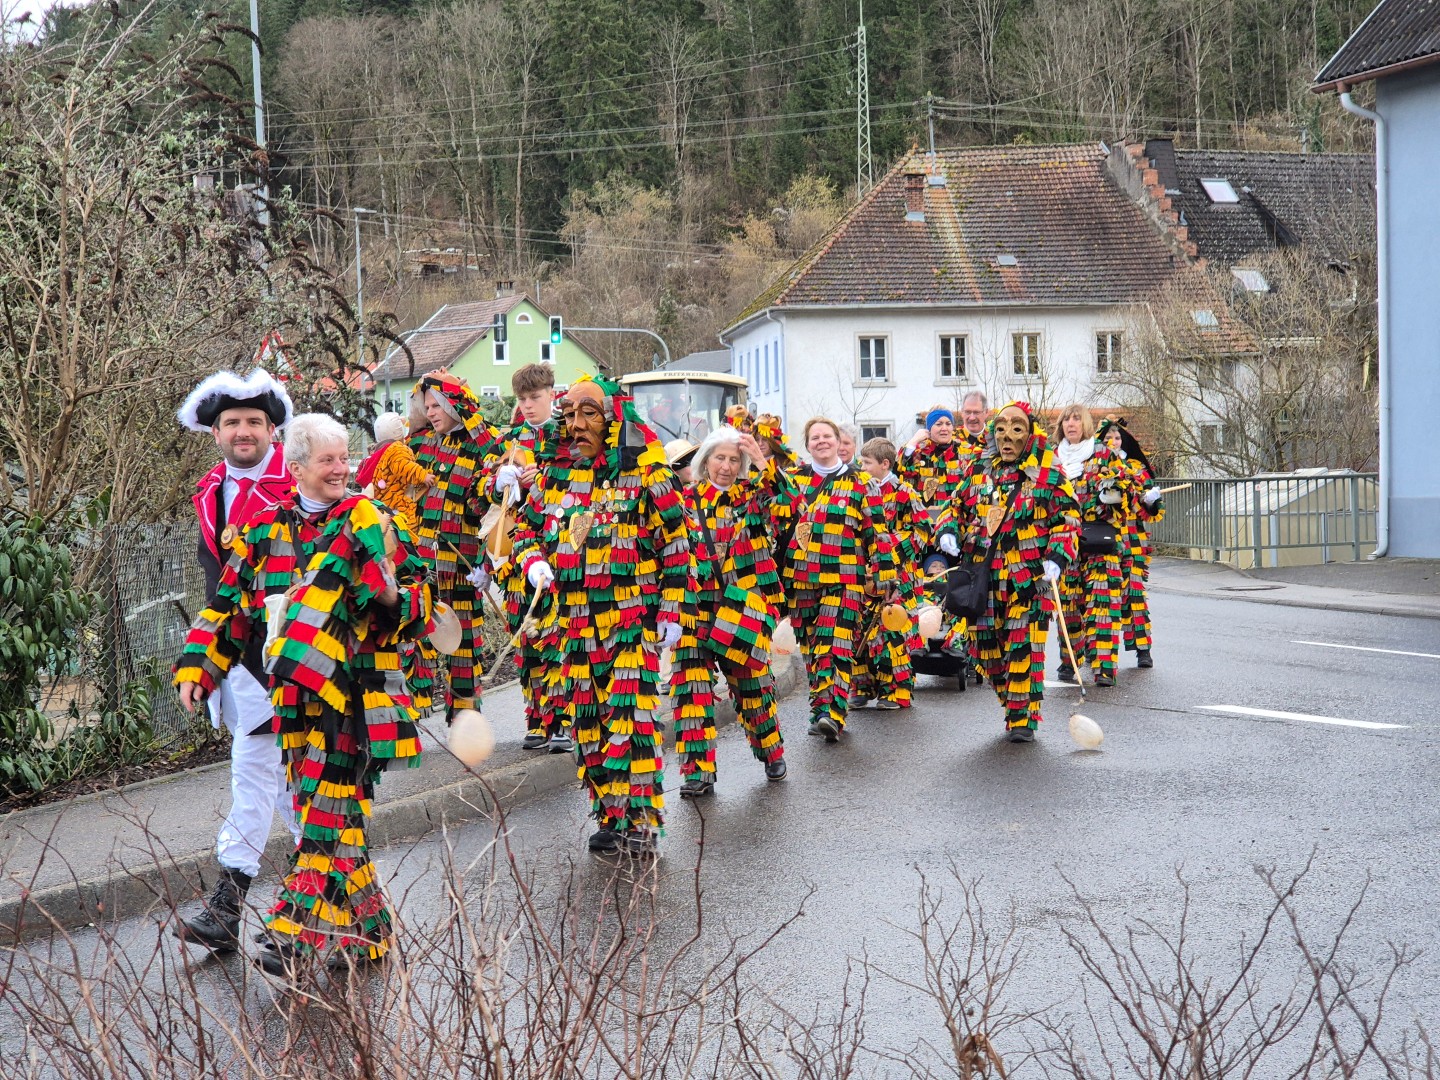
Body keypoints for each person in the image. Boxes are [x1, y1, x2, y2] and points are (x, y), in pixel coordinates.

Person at [175, 415, 432, 976]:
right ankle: (368, 933)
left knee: (324, 810)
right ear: (295, 468)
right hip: (291, 702)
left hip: (358, 699)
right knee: (330, 810)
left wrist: (392, 596)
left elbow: (422, 605)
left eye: (345, 458)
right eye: (328, 460)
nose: (342, 469)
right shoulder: (263, 528)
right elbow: (228, 607)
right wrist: (199, 667)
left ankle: (295, 930)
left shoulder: (373, 520)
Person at [510, 376, 693, 856]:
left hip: (632, 622)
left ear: (612, 419)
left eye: (588, 413)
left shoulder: (647, 474)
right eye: (570, 414)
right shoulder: (554, 477)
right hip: (573, 626)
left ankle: (640, 820)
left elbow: (677, 543)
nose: (577, 424)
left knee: (631, 722)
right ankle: (610, 816)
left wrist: (672, 608)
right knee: (589, 727)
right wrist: (533, 561)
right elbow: (523, 529)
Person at [172, 368, 299, 953]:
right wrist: (204, 662)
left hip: (295, 653)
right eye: (232, 422)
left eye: (253, 421)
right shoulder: (209, 490)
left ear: (273, 430)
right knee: (280, 783)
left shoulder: (297, 485)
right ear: (216, 431)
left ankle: (238, 903)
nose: (242, 431)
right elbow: (216, 590)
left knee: (267, 775)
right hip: (237, 655)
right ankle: (327, 904)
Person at [937, 402, 1079, 741]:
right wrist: (948, 530)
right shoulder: (978, 469)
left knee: (1023, 648)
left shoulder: (1048, 472)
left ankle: (1021, 721)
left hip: (1029, 580)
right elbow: (954, 506)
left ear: (1029, 435)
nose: (1007, 437)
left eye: (1016, 429)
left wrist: (1057, 557)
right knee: (984, 651)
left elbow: (1068, 519)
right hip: (983, 579)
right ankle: (1014, 704)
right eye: (1000, 429)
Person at [670, 424, 795, 796]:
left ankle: (771, 752)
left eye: (734, 460)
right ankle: (698, 773)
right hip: (694, 608)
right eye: (719, 458)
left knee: (752, 685)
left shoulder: (753, 497)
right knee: (691, 691)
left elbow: (789, 505)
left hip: (742, 608)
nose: (726, 466)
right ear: (705, 460)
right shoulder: (683, 500)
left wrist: (761, 461)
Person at [783, 417, 897, 742]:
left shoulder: (862, 481)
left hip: (845, 578)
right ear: (807, 445)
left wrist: (886, 575)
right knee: (811, 648)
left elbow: (877, 531)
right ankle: (819, 709)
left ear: (837, 441)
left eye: (827, 436)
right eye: (815, 437)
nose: (822, 441)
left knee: (835, 644)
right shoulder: (794, 481)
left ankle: (832, 714)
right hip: (801, 580)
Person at [408, 373, 506, 717]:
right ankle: (415, 711)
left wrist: (487, 565)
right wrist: (428, 386)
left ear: (454, 406)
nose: (430, 413)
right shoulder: (424, 443)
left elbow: (495, 499)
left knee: (463, 646)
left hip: (463, 563)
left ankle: (465, 716)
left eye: (437, 406)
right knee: (415, 636)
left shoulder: (482, 443)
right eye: (427, 407)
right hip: (423, 560)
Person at [489, 363, 567, 751]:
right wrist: (497, 482)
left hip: (555, 547)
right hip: (516, 553)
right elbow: (488, 495)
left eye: (535, 397)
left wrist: (545, 478)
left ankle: (564, 719)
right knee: (526, 637)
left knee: (557, 635)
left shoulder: (566, 435)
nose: (528, 405)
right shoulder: (511, 440)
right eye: (522, 399)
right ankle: (537, 719)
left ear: (551, 393)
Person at [1053, 404, 1138, 687]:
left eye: (1076, 419)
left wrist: (1113, 494)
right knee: (1067, 606)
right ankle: (1069, 660)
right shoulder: (1053, 458)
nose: (1071, 424)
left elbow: (1128, 488)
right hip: (1065, 542)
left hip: (1100, 541)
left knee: (1103, 606)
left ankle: (1104, 668)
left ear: (1086, 424)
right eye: (1067, 420)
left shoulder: (1103, 453)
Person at [853, 438, 929, 710]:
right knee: (859, 628)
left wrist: (888, 550)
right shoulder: (859, 491)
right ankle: (862, 686)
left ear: (885, 464)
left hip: (899, 576)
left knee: (892, 631)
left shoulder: (904, 492)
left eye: (867, 463)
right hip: (864, 575)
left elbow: (922, 530)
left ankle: (896, 690)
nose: (862, 467)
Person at [1096, 416, 1165, 668]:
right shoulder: (1094, 467)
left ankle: (1143, 650)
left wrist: (1151, 501)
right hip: (1103, 541)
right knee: (1101, 598)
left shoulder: (1137, 468)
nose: (1113, 442)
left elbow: (1153, 509)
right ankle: (1095, 650)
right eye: (1108, 438)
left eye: (1117, 438)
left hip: (1133, 541)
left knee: (1134, 594)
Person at [355, 412, 431, 526]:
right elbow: (403, 466)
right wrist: (423, 475)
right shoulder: (397, 449)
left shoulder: (377, 453)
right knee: (407, 530)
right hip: (397, 505)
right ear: (399, 433)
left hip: (383, 505)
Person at [900, 406, 969, 506]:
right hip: (925, 513)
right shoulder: (918, 452)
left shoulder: (966, 452)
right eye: (939, 424)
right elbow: (901, 470)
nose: (944, 428)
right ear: (929, 428)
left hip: (957, 513)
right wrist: (914, 441)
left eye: (948, 424)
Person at [958, 391, 989, 455]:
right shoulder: (952, 440)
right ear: (962, 412)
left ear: (986, 412)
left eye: (976, 412)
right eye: (967, 412)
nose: (972, 418)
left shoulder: (995, 438)